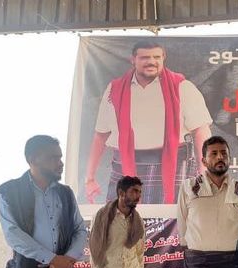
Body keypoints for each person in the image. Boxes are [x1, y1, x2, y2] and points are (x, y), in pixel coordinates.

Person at [85, 40, 213, 204]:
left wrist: (204, 174)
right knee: (121, 218)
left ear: (163, 58)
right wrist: (90, 178)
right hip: (124, 165)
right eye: (145, 57)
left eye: (156, 57)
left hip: (174, 164)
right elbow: (100, 135)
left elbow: (201, 131)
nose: (151, 62)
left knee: (172, 218)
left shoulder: (183, 88)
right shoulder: (114, 89)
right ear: (133, 60)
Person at [0, 135, 87, 268]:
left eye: (60, 158)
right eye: (53, 158)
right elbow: (13, 234)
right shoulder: (10, 192)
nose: (60, 163)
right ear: (33, 159)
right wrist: (53, 260)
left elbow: (80, 229)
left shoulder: (65, 193)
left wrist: (66, 261)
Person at [177, 136, 238, 268]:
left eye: (224, 153)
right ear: (204, 161)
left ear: (229, 159)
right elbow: (182, 226)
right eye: (214, 153)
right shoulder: (189, 187)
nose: (220, 157)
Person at [89, 176, 145, 268]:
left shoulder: (138, 221)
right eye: (134, 191)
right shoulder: (102, 217)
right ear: (121, 193)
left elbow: (140, 251)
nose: (138, 196)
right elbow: (94, 251)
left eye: (139, 192)